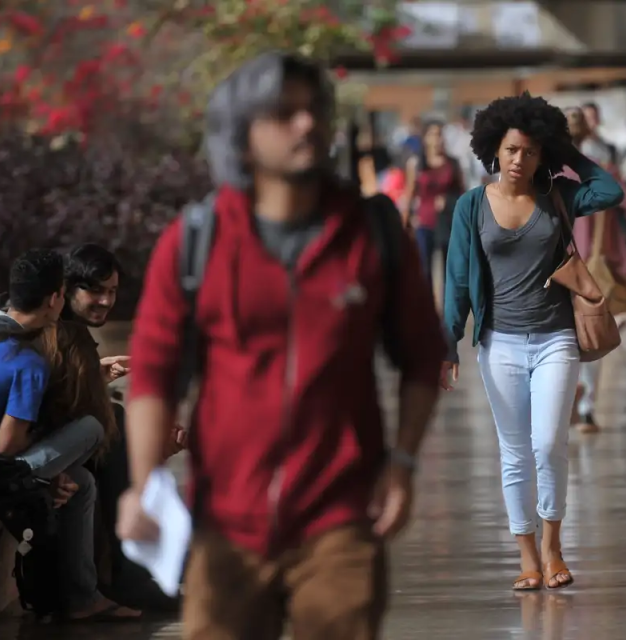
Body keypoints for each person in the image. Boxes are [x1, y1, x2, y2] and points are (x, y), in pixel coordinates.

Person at [116, 52, 445, 639]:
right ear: (242, 133)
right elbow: (154, 373)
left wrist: (403, 463)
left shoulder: (369, 233)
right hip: (224, 526)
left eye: (313, 110)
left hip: (342, 517)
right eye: (284, 114)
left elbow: (422, 354)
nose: (306, 125)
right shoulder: (196, 240)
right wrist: (142, 486)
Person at [441, 93, 624, 590]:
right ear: (493, 151)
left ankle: (553, 544)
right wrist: (448, 343)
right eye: (513, 150)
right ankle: (525, 553)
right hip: (498, 344)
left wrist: (566, 153)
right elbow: (457, 279)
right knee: (515, 452)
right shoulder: (471, 206)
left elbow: (608, 191)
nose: (520, 160)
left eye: (531, 151)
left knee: (549, 443)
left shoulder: (556, 197)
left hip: (556, 338)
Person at [0, 249, 141, 621]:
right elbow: (7, 445)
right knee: (94, 427)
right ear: (55, 299)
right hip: (4, 473)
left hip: (10, 465)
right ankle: (112, 577)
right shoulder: (27, 360)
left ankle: (82, 598)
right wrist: (45, 469)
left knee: (82, 483)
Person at [46, 244, 184, 611]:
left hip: (58, 447)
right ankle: (127, 570)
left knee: (120, 419)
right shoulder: (56, 333)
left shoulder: (72, 332)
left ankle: (142, 560)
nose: (106, 301)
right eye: (95, 290)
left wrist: (96, 380)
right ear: (67, 291)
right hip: (33, 454)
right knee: (117, 421)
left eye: (112, 291)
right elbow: (42, 410)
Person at [563, 107, 626, 432]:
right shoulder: (605, 171)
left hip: (558, 267)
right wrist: (618, 240)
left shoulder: (552, 175)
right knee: (591, 338)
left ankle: (565, 396)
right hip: (595, 267)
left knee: (563, 337)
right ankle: (586, 409)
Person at [401, 119, 466, 277]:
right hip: (424, 223)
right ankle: (427, 301)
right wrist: (404, 224)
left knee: (449, 271)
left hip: (447, 223)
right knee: (424, 270)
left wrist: (450, 201)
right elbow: (409, 195)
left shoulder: (453, 164)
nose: (437, 139)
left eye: (440, 135)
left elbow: (463, 194)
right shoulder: (416, 164)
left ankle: (447, 301)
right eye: (433, 135)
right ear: (425, 138)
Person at [580, 102, 619, 166]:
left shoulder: (605, 145)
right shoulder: (579, 145)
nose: (592, 122)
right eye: (589, 118)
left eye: (595, 117)